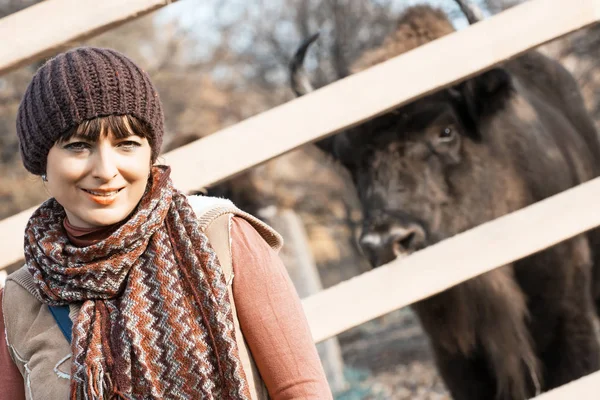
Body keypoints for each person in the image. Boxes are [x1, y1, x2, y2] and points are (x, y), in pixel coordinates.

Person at [0, 47, 333, 400]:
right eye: (78, 146)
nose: (105, 170)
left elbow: (300, 390)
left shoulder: (221, 236)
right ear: (42, 162)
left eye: (127, 144)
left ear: (150, 154)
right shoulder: (20, 300)